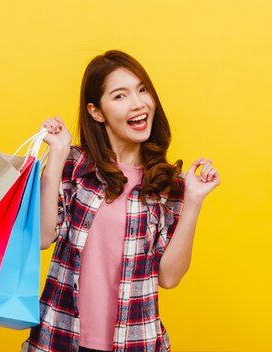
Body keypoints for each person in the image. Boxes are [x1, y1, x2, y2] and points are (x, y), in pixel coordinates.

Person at [21, 50, 220, 352]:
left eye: (142, 90)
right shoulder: (76, 166)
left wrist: (193, 201)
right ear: (96, 111)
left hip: (136, 341)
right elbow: (43, 236)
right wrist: (57, 156)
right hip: (59, 337)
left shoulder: (170, 185)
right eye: (120, 96)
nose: (138, 103)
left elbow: (169, 277)